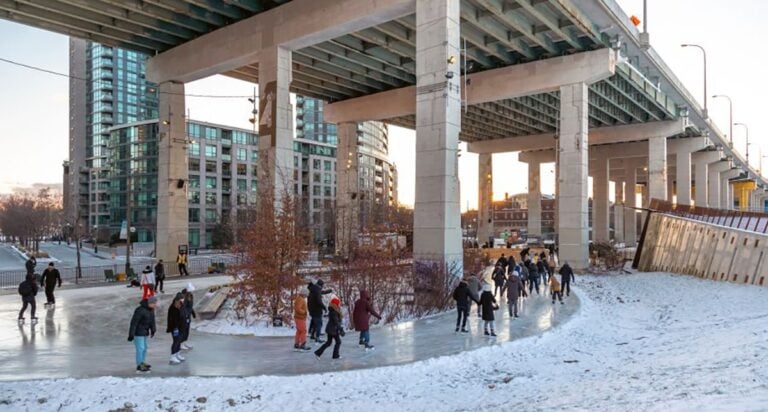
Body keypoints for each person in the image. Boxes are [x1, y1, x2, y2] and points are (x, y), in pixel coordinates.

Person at [128, 296, 157, 373]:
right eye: (154, 303)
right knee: (140, 348)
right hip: (138, 333)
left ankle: (142, 362)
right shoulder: (139, 310)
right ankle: (139, 365)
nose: (155, 305)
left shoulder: (151, 310)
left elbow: (152, 321)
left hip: (145, 332)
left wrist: (153, 330)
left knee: (145, 348)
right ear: (149, 303)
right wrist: (131, 334)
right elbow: (134, 323)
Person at [307, 279, 332, 343]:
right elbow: (318, 301)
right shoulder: (317, 290)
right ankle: (317, 337)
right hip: (316, 310)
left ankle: (312, 335)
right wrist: (324, 307)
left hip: (311, 309)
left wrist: (328, 291)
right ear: (321, 285)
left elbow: (321, 292)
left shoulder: (313, 289)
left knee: (315, 323)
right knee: (319, 324)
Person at [167, 293, 185, 364]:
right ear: (178, 299)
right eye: (182, 298)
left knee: (179, 341)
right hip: (175, 328)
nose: (183, 300)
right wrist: (175, 327)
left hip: (181, 327)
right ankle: (173, 356)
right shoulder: (173, 307)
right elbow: (172, 319)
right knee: (176, 341)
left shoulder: (181, 305)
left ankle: (177, 354)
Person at [180, 284, 196, 351]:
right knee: (183, 329)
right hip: (184, 316)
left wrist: (193, 313)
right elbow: (183, 307)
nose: (192, 292)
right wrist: (185, 315)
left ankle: (184, 342)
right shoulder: (184, 297)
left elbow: (190, 306)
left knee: (187, 330)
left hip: (188, 315)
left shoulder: (190, 296)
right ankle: (180, 343)